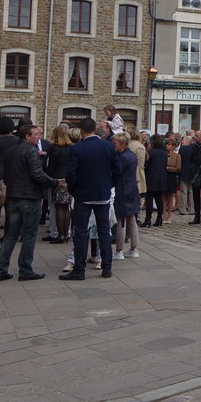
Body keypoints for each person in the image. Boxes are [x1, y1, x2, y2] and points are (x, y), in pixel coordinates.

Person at [0, 123, 62, 281]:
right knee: (30, 234)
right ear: (27, 136)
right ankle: (25, 269)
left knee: (11, 234)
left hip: (14, 196)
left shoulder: (11, 151)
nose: (39, 137)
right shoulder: (30, 151)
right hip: (29, 196)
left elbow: (5, 170)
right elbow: (37, 174)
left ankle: (1, 269)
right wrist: (55, 182)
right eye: (36, 134)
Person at [62, 117, 119, 280]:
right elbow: (117, 170)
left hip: (84, 195)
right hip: (102, 193)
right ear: (94, 129)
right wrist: (109, 185)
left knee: (80, 232)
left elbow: (71, 175)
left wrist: (74, 190)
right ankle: (106, 267)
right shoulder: (108, 146)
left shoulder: (77, 148)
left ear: (81, 131)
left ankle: (79, 269)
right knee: (104, 231)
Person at [111, 133, 141, 259]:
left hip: (123, 189)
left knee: (121, 220)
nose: (113, 145)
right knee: (131, 219)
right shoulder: (131, 155)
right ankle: (133, 248)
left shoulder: (122, 157)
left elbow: (116, 173)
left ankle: (119, 250)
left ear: (122, 144)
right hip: (132, 188)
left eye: (115, 143)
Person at [45, 125, 73, 243]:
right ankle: (66, 233)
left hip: (58, 180)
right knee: (66, 208)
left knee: (59, 208)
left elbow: (51, 167)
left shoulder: (54, 148)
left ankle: (60, 234)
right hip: (69, 179)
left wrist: (49, 180)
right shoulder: (72, 148)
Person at [143, 134, 168, 227]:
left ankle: (148, 219)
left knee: (149, 199)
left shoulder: (150, 152)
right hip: (161, 178)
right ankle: (159, 218)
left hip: (151, 177)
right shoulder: (164, 153)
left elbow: (147, 165)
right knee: (159, 199)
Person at [163, 136, 181, 223]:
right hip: (164, 177)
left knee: (170, 197)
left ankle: (169, 215)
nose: (167, 146)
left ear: (173, 146)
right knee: (163, 197)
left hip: (171, 177)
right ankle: (163, 214)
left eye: (169, 144)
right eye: (166, 144)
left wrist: (168, 168)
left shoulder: (177, 156)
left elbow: (178, 168)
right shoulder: (163, 154)